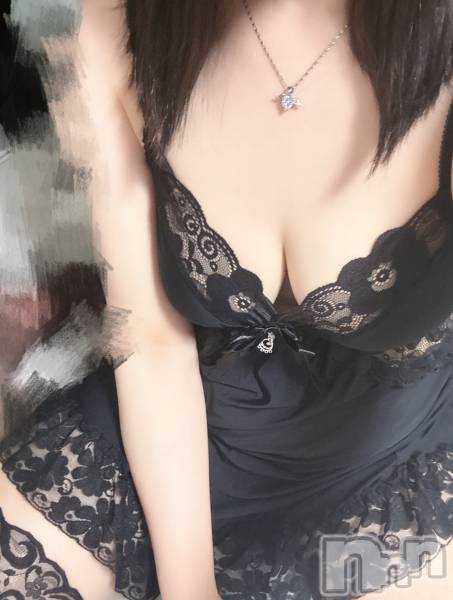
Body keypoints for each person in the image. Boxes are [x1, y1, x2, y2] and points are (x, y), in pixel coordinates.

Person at [1, 0, 453, 598]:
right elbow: (152, 342)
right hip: (180, 429)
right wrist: (189, 586)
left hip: (388, 458)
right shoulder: (115, 22)